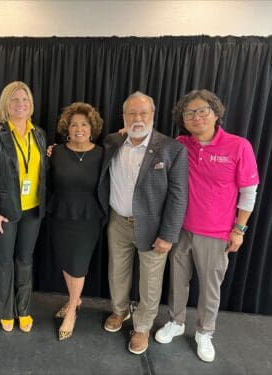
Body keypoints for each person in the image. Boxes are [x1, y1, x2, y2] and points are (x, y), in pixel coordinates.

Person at [154, 90, 259, 362]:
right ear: (183, 120)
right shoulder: (179, 145)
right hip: (179, 230)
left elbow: (249, 191)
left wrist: (240, 230)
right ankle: (176, 322)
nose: (196, 116)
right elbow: (151, 149)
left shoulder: (239, 146)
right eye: (189, 113)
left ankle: (204, 332)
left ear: (215, 113)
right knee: (177, 282)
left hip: (216, 233)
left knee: (211, 288)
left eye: (202, 110)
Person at [100, 91, 188, 355]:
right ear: (123, 116)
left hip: (154, 227)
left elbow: (179, 196)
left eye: (143, 113)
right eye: (132, 113)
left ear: (152, 115)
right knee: (117, 272)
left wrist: (169, 235)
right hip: (117, 222)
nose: (137, 118)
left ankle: (142, 328)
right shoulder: (112, 141)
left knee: (150, 281)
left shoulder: (172, 148)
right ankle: (120, 312)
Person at [0, 81, 47, 333]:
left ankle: (23, 308)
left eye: (25, 100)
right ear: (6, 105)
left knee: (25, 260)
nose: (20, 104)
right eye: (15, 100)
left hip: (33, 210)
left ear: (31, 105)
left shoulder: (38, 134)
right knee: (5, 261)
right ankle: (4, 311)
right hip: (4, 212)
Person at [48, 102, 107, 340]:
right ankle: (76, 299)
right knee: (65, 260)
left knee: (79, 264)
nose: (79, 128)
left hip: (88, 216)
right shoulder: (57, 152)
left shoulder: (103, 153)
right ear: (67, 128)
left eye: (84, 124)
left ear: (92, 128)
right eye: (74, 125)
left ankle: (72, 309)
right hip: (60, 212)